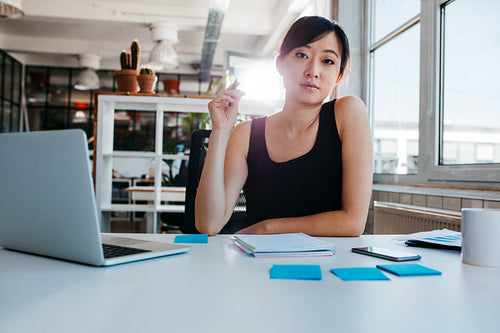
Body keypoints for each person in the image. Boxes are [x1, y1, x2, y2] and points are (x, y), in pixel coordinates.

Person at [195, 16, 373, 236]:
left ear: (339, 75)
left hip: (331, 265)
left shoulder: (348, 113)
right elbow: (208, 224)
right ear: (279, 63)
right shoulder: (246, 134)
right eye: (301, 55)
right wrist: (220, 132)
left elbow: (353, 223)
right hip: (260, 265)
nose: (313, 71)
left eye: (327, 61)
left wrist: (268, 227)